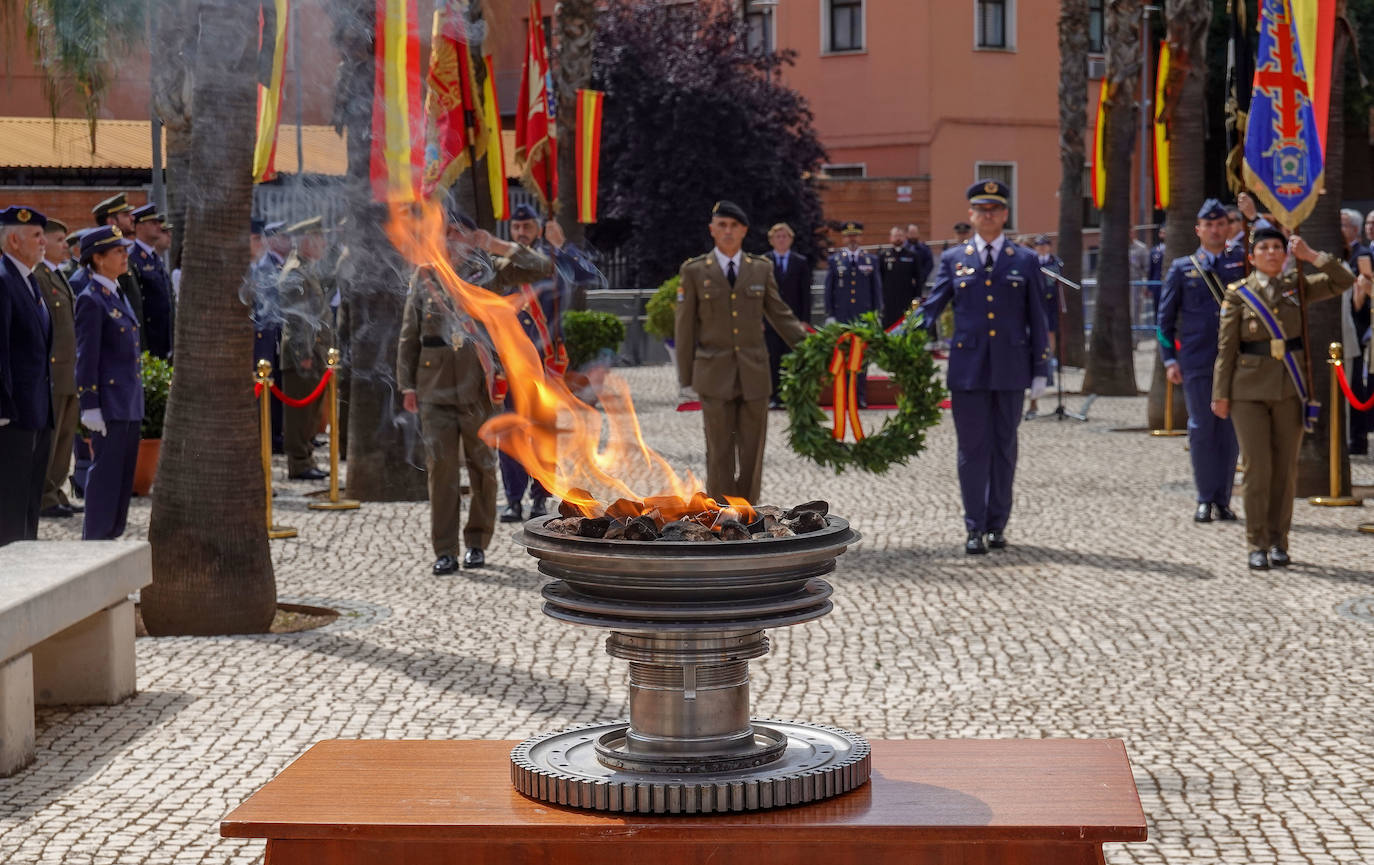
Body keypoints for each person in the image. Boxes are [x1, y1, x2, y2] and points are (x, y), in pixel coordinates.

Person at [398, 208, 554, 573]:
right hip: (433, 388)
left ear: (472, 238)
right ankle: (445, 550)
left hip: (480, 387)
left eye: (459, 234)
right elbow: (409, 334)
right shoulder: (425, 276)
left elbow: (541, 268)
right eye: (446, 234)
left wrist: (498, 244)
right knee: (442, 471)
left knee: (483, 469)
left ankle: (477, 543)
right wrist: (406, 384)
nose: (451, 241)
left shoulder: (490, 274)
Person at [1213, 229, 1366, 570]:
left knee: (1284, 471)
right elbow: (1226, 349)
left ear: (1285, 254)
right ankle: (1256, 543)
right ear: (1251, 257)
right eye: (1263, 248)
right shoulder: (1238, 294)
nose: (1271, 253)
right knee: (1258, 468)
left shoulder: (1297, 286)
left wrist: (1311, 255)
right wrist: (1220, 394)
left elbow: (1343, 280)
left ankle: (1279, 542)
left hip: (1289, 390)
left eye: (1277, 248)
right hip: (1248, 392)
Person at [916, 180, 1049, 554]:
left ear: (1005, 214)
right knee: (971, 450)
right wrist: (900, 339)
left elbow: (1036, 317)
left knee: (1004, 448)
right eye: (981, 210)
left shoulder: (1024, 259)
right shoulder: (953, 259)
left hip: (1011, 368)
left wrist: (1041, 369)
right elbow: (933, 306)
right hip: (968, 370)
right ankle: (974, 526)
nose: (988, 215)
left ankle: (997, 525)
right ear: (971, 215)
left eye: (995, 209)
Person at [676, 200, 809, 502]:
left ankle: (748, 513)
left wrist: (813, 348)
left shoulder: (760, 269)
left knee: (752, 451)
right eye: (722, 225)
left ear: (744, 231)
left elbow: (780, 314)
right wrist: (686, 378)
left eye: (734, 226)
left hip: (754, 373)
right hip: (713, 374)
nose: (727, 231)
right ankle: (722, 514)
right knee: (719, 450)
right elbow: (684, 328)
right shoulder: (695, 271)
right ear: (712, 230)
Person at [495, 203, 596, 523]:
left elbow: (588, 275)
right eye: (516, 228)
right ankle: (513, 499)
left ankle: (540, 495)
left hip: (546, 360)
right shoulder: (501, 265)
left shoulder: (553, 261)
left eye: (527, 227)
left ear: (539, 229)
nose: (521, 233)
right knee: (511, 433)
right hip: (512, 362)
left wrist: (562, 245)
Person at [1158, 199, 1247, 523]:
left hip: (1236, 361)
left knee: (1229, 432)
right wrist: (1169, 359)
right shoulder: (1183, 268)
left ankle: (1223, 499)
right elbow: (1164, 320)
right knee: (1201, 429)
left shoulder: (1240, 262)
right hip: (1197, 360)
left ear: (1228, 228)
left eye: (1221, 224)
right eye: (1208, 225)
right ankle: (1204, 497)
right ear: (1198, 229)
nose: (1215, 229)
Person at [73, 226, 143, 541]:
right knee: (106, 479)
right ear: (98, 259)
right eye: (117, 251)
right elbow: (86, 357)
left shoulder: (116, 293)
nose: (124, 256)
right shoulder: (91, 300)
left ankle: (111, 537)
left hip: (128, 402)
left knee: (123, 479)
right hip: (109, 405)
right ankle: (95, 542)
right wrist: (89, 405)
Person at [0, 205, 55, 546]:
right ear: (15, 241)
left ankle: (27, 571)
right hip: (14, 414)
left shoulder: (29, 281)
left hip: (37, 410)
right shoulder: (4, 280)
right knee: (10, 505)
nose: (43, 242)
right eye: (36, 235)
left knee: (30, 501)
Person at [35, 217, 84, 520]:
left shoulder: (59, 275)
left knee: (66, 438)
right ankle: (44, 496)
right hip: (54, 372)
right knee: (51, 441)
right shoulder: (40, 276)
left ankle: (56, 492)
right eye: (59, 241)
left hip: (69, 370)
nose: (65, 247)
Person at [277, 217, 333, 481]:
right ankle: (299, 463)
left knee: (310, 414)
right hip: (302, 355)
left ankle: (306, 458)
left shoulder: (308, 269)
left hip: (315, 352)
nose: (323, 244)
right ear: (305, 242)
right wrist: (305, 354)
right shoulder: (296, 272)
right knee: (299, 414)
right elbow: (297, 319)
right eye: (318, 239)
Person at [823, 221, 882, 406]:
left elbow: (876, 289)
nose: (852, 239)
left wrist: (877, 314)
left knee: (861, 358)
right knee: (843, 355)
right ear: (844, 238)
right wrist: (830, 314)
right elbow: (828, 289)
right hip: (842, 315)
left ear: (860, 237)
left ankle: (860, 396)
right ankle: (844, 395)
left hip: (863, 316)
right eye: (849, 236)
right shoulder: (835, 260)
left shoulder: (870, 260)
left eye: (855, 235)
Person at [764, 222, 810, 409]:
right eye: (778, 237)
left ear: (791, 239)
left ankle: (788, 395)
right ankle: (773, 396)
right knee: (772, 358)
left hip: (793, 320)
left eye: (785, 236)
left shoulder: (800, 262)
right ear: (771, 240)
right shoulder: (764, 262)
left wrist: (805, 320)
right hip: (769, 320)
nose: (781, 240)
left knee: (790, 358)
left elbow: (805, 294)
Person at [88, 194, 145, 344]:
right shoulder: (103, 262)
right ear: (111, 221)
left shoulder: (127, 260)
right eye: (126, 215)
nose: (132, 218)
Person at [1339, 208, 1372, 455]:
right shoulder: (1343, 253)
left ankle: (1357, 438)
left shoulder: (1361, 254)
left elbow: (1360, 300)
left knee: (1357, 388)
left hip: (1358, 329)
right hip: (1346, 326)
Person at [129, 204, 174, 359]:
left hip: (163, 338)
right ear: (139, 227)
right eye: (153, 223)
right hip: (148, 339)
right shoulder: (132, 258)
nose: (158, 227)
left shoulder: (155, 258)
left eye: (158, 223)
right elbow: (135, 303)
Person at [1026, 234, 1063, 419]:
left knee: (1048, 339)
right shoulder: (1030, 263)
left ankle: (1050, 359)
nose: (1041, 248)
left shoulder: (1054, 263)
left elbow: (1052, 284)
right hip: (1031, 308)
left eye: (1044, 245)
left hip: (1047, 306)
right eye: (1038, 245)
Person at [879, 225, 922, 330]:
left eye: (900, 235)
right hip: (888, 298)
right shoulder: (883, 255)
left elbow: (918, 277)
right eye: (895, 236)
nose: (898, 238)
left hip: (906, 297)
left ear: (904, 237)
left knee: (906, 325)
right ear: (890, 238)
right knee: (889, 325)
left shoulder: (912, 255)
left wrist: (917, 296)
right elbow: (879, 278)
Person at [905, 223, 935, 297]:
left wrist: (921, 278)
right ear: (907, 234)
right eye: (911, 233)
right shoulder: (903, 249)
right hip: (904, 283)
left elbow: (929, 264)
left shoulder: (924, 249)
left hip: (920, 282)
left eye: (915, 233)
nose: (913, 235)